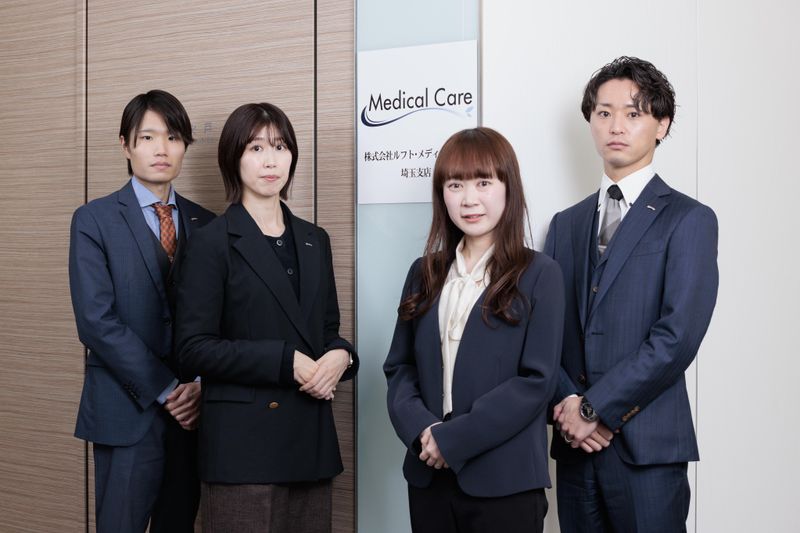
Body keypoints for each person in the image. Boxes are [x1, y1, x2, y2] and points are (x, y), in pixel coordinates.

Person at [545, 56, 719, 532]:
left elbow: (677, 337)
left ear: (662, 125)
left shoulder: (689, 219)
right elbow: (545, 333)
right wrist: (569, 407)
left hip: (647, 451)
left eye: (633, 113)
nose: (616, 126)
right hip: (576, 449)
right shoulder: (565, 224)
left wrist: (593, 408)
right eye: (604, 113)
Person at [175, 102, 358, 533]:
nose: (270, 160)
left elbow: (326, 330)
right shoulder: (211, 242)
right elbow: (193, 348)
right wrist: (283, 360)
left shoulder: (315, 239)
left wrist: (343, 357)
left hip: (309, 445)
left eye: (280, 147)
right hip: (242, 451)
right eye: (255, 148)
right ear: (233, 158)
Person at [384, 127, 564, 533]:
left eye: (483, 183)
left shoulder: (540, 273)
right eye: (455, 185)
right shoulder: (424, 271)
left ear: (508, 188)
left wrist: (452, 440)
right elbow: (400, 368)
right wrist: (424, 431)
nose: (469, 199)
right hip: (429, 478)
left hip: (505, 482)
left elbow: (536, 382)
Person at [69, 89, 215, 532]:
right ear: (125, 145)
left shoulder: (208, 223)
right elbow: (96, 322)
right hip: (125, 410)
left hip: (193, 417)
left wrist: (199, 387)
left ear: (185, 145)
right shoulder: (94, 220)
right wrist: (168, 390)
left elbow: (222, 319)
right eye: (147, 137)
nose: (161, 149)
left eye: (173, 137)